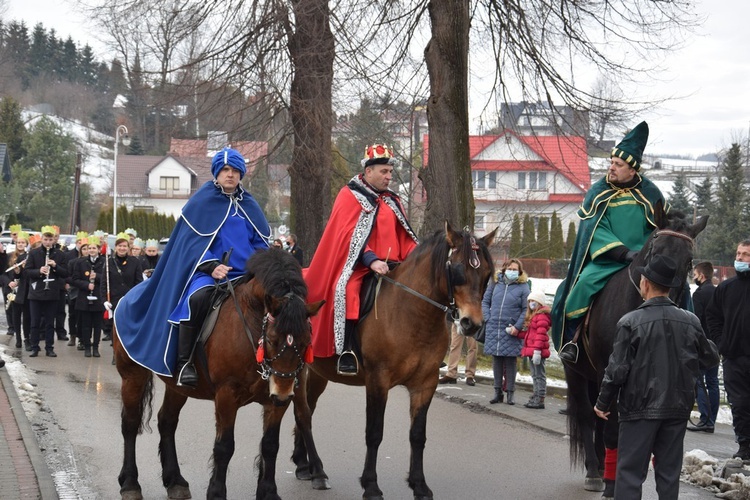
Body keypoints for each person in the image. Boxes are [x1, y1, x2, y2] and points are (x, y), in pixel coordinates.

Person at [114, 147, 271, 386]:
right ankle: (185, 362)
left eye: (236, 170)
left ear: (241, 174)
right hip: (210, 273)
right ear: (217, 173)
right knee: (196, 299)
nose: (230, 174)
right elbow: (190, 243)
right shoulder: (202, 201)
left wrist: (264, 268)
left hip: (247, 275)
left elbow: (260, 243)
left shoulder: (249, 205)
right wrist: (212, 266)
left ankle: (281, 363)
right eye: (226, 170)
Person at [594, 254, 719, 500]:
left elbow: (616, 369)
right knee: (669, 474)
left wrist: (602, 402)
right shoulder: (690, 321)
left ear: (646, 283)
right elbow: (710, 357)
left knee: (630, 473)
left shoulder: (630, 322)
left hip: (638, 408)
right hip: (677, 408)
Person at [552, 122, 668, 363]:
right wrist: (623, 253)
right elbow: (595, 229)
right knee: (581, 285)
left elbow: (661, 229)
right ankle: (572, 341)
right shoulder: (598, 191)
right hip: (608, 261)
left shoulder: (651, 193)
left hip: (645, 262)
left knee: (677, 288)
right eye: (611, 163)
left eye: (618, 164)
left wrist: (645, 254)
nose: (611, 168)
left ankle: (688, 337)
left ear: (632, 170)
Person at [305, 143, 419, 375]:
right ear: (368, 172)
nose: (389, 177)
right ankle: (347, 350)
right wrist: (371, 260)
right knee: (346, 290)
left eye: (390, 172)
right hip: (360, 266)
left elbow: (405, 235)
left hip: (395, 266)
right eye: (383, 172)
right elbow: (346, 234)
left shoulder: (392, 200)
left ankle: (420, 348)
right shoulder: (349, 195)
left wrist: (420, 259)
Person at [706, 239, 750, 460]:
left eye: (745, 255)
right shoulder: (726, 287)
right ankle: (744, 446)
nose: (739, 258)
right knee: (739, 404)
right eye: (738, 253)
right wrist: (721, 342)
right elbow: (713, 316)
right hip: (733, 357)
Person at [482, 258, 530, 405]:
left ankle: (510, 393)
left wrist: (518, 326)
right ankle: (497, 392)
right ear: (504, 269)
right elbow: (485, 301)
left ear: (520, 272)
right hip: (494, 326)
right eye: (510, 268)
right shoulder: (495, 283)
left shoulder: (523, 287)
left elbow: (526, 309)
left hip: (511, 328)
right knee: (496, 360)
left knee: (510, 361)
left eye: (515, 270)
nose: (512, 271)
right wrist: (488, 317)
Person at [25, 225, 70, 357]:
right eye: (45, 239)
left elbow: (65, 273)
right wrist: (39, 271)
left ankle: (49, 348)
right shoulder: (34, 253)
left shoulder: (60, 254)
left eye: (50, 240)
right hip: (36, 292)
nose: (48, 242)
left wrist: (55, 266)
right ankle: (34, 347)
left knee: (51, 322)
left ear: (54, 240)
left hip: (52, 292)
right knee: (35, 322)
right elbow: (27, 271)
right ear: (42, 239)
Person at [687, 261, 719, 433]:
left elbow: (696, 320)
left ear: (702, 275)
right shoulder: (717, 291)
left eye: (695, 273)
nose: (694, 277)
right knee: (713, 382)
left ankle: (705, 418)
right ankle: (712, 419)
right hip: (715, 344)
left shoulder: (699, 294)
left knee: (700, 383)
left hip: (702, 343)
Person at [101, 233, 143, 343]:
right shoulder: (109, 262)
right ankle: (116, 355)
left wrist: (136, 298)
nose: (122, 248)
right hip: (114, 300)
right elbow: (104, 283)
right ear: (116, 247)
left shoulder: (135, 262)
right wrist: (104, 300)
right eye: (119, 246)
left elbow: (139, 283)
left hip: (129, 300)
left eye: (124, 246)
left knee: (127, 329)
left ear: (129, 248)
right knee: (114, 330)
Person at [71, 236, 106, 357]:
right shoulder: (80, 262)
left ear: (99, 249)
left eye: (94, 248)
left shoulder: (104, 262)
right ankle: (87, 346)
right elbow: (75, 279)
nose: (91, 250)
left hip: (98, 297)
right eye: (89, 248)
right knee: (85, 324)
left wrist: (96, 277)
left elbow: (108, 279)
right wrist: (86, 285)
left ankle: (95, 347)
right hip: (84, 297)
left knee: (97, 325)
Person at [520, 290, 551, 409]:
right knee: (534, 375)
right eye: (530, 301)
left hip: (537, 351)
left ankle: (540, 398)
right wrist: (516, 333)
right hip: (532, 350)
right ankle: (536, 395)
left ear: (540, 302)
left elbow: (540, 335)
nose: (531, 303)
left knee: (539, 375)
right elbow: (529, 334)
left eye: (534, 301)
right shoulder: (534, 316)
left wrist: (537, 351)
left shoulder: (541, 317)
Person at [3, 231, 30, 350]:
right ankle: (18, 339)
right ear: (15, 242)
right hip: (11, 290)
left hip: (25, 290)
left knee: (27, 316)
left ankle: (27, 339)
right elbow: (2, 273)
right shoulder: (9, 256)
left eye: (23, 242)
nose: (20, 244)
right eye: (18, 242)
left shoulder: (29, 257)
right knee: (15, 315)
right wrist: (9, 282)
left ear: (26, 244)